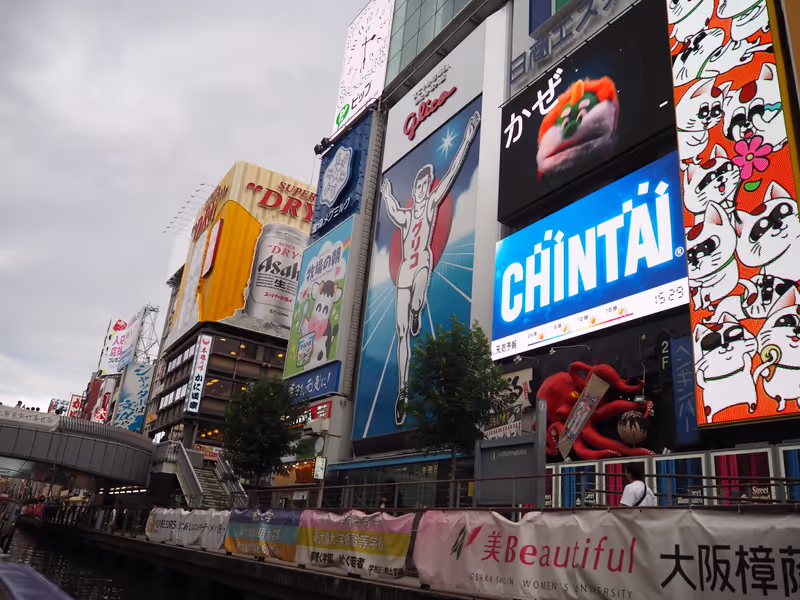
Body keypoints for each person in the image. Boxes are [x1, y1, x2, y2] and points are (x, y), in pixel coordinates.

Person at [381, 111, 481, 425]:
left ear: (429, 185)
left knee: (419, 289)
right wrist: (385, 195)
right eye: (419, 185)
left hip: (422, 263)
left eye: (425, 183)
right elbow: (395, 210)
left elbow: (451, 173)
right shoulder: (408, 214)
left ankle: (416, 311)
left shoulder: (434, 202)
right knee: (400, 335)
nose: (422, 188)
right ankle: (403, 389)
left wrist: (467, 138)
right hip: (404, 273)